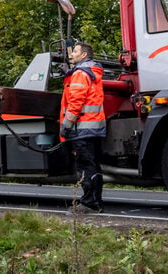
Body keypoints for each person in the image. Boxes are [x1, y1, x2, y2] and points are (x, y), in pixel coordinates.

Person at [59, 41, 106, 213]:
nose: (72, 55)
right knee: (93, 166)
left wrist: (67, 124)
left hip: (81, 128)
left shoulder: (80, 74)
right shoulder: (92, 72)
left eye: (75, 52)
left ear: (84, 55)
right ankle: (95, 202)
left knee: (86, 167)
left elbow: (76, 101)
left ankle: (89, 204)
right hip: (93, 127)